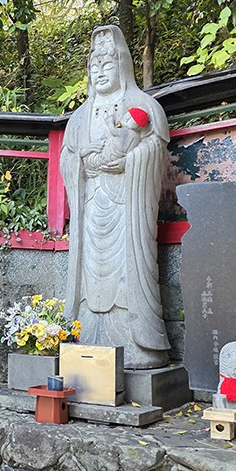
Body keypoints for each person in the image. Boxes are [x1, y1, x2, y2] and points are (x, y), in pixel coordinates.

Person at [60, 25, 171, 369]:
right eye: (94, 67)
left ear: (123, 66)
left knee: (128, 275)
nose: (100, 71)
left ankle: (137, 346)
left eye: (108, 65)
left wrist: (130, 161)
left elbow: (157, 149)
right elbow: (66, 157)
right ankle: (85, 338)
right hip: (91, 204)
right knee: (89, 277)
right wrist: (82, 159)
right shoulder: (78, 118)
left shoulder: (143, 106)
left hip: (127, 204)